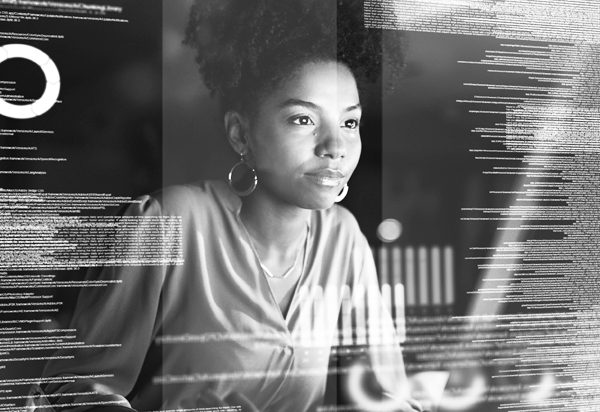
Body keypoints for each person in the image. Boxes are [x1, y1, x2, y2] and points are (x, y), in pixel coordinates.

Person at [30, 0, 421, 411]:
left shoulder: (343, 236)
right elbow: (74, 387)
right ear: (241, 134)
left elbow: (387, 394)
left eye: (349, 122)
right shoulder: (170, 221)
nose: (335, 147)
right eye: (303, 119)